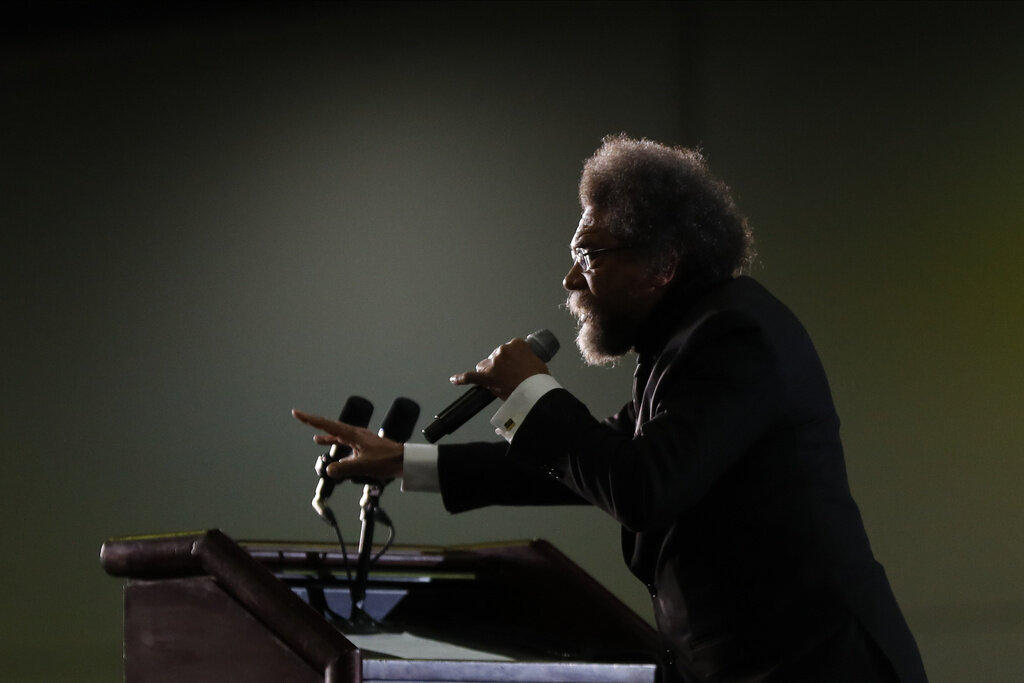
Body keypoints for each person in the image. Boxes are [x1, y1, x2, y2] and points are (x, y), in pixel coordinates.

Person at [293, 134, 928, 683]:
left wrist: (532, 393)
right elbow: (589, 464)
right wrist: (407, 462)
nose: (571, 280)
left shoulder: (736, 336)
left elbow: (642, 487)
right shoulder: (686, 343)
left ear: (662, 264)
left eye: (589, 254)